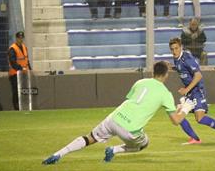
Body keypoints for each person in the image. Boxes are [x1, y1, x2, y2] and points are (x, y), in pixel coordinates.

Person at [42, 61, 196, 164]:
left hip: (114, 118)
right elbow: (176, 121)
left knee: (90, 138)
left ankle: (58, 154)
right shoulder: (165, 93)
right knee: (144, 143)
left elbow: (133, 100)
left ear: (153, 72)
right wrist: (186, 109)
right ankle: (114, 150)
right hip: (130, 130)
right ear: (166, 75)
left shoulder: (140, 82)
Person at [169, 37, 215, 144]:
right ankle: (196, 139)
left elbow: (198, 75)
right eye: (172, 49)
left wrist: (186, 89)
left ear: (181, 47)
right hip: (190, 93)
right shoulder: (176, 58)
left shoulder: (187, 58)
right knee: (178, 117)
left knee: (199, 118)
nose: (174, 51)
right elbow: (183, 70)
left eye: (176, 48)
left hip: (197, 91)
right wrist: (172, 68)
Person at [7, 31, 31, 110]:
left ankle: (25, 107)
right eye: (19, 38)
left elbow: (27, 60)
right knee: (16, 92)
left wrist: (29, 69)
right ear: (16, 38)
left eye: (22, 38)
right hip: (15, 74)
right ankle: (16, 108)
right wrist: (21, 68)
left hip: (24, 73)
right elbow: (13, 62)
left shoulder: (24, 47)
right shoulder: (12, 49)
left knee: (24, 91)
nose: (21, 39)